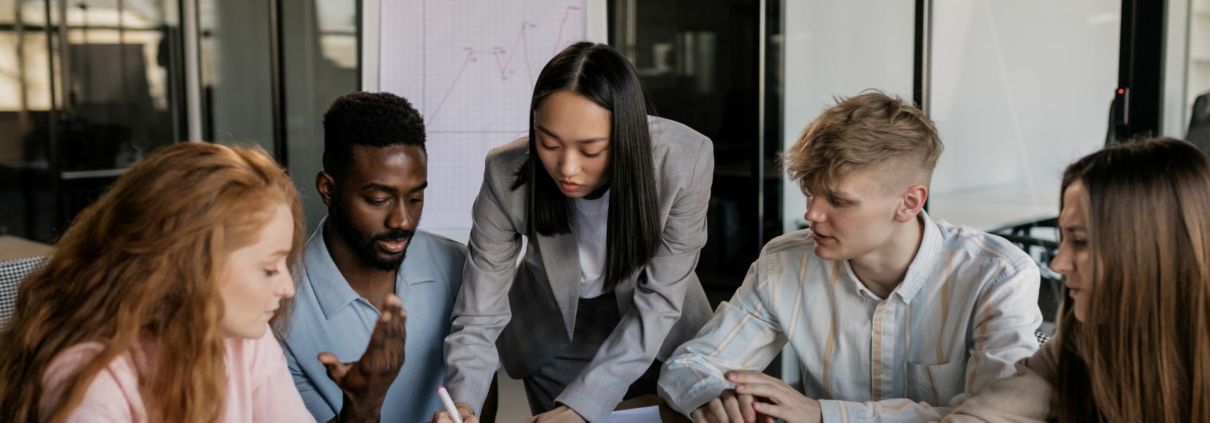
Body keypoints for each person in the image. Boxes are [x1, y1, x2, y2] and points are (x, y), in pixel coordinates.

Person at [658, 92, 1044, 423]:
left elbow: (995, 415)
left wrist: (824, 415)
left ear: (909, 203)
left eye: (838, 200)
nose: (812, 214)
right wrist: (715, 395)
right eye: (810, 192)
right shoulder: (784, 263)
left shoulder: (997, 276)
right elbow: (688, 366)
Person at [0, 142, 406, 423]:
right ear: (186, 268)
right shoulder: (92, 380)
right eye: (268, 268)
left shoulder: (246, 340)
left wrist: (362, 406)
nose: (287, 288)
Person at [438, 41, 715, 423]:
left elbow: (660, 301)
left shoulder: (685, 160)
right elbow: (479, 309)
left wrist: (584, 405)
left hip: (658, 334)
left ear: (626, 135)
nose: (567, 168)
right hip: (553, 334)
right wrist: (463, 402)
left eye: (591, 150)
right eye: (548, 143)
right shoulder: (506, 172)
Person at [944, 138, 1210, 422]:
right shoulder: (1079, 343)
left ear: (1156, 247)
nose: (1058, 264)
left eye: (1081, 241)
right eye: (1064, 239)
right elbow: (990, 415)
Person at [279, 91, 485, 423]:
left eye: (415, 197)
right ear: (328, 189)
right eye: (378, 199)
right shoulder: (278, 307)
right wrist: (364, 405)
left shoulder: (457, 267)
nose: (402, 221)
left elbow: (482, 392)